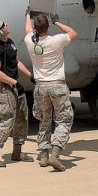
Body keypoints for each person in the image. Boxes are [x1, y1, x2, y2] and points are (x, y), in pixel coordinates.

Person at [24, 9, 77, 171]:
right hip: (57, 85)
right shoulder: (56, 41)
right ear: (48, 27)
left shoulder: (30, 41)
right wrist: (56, 21)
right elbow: (73, 33)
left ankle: (44, 154)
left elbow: (27, 31)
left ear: (35, 28)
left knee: (44, 119)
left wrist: (27, 15)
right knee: (64, 119)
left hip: (40, 86)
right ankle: (56, 152)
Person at [0, 18, 34, 167]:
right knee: (7, 120)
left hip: (15, 86)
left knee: (22, 118)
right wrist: (13, 82)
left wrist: (30, 76)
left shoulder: (10, 42)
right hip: (5, 88)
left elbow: (16, 61)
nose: (7, 25)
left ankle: (17, 151)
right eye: (4, 26)